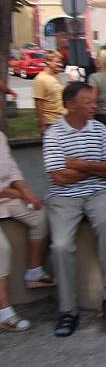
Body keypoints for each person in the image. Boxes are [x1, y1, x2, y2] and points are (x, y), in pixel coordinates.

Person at [43, 82, 106, 337]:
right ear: (70, 104)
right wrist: (95, 168)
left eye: (94, 101)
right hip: (64, 198)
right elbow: (59, 177)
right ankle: (68, 310)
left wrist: (77, 164)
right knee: (61, 246)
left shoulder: (99, 130)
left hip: (98, 194)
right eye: (87, 102)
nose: (93, 106)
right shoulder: (54, 133)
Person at [0, 132, 52, 332]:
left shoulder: (1, 137)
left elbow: (12, 171)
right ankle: (4, 313)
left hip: (6, 198)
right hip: (6, 194)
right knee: (2, 249)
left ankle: (34, 271)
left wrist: (26, 191)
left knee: (39, 216)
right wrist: (17, 193)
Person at [32, 51, 66, 135]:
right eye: (58, 62)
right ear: (48, 62)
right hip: (50, 123)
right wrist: (42, 125)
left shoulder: (55, 77)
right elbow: (38, 104)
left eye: (61, 62)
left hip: (62, 120)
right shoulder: (40, 79)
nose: (61, 65)